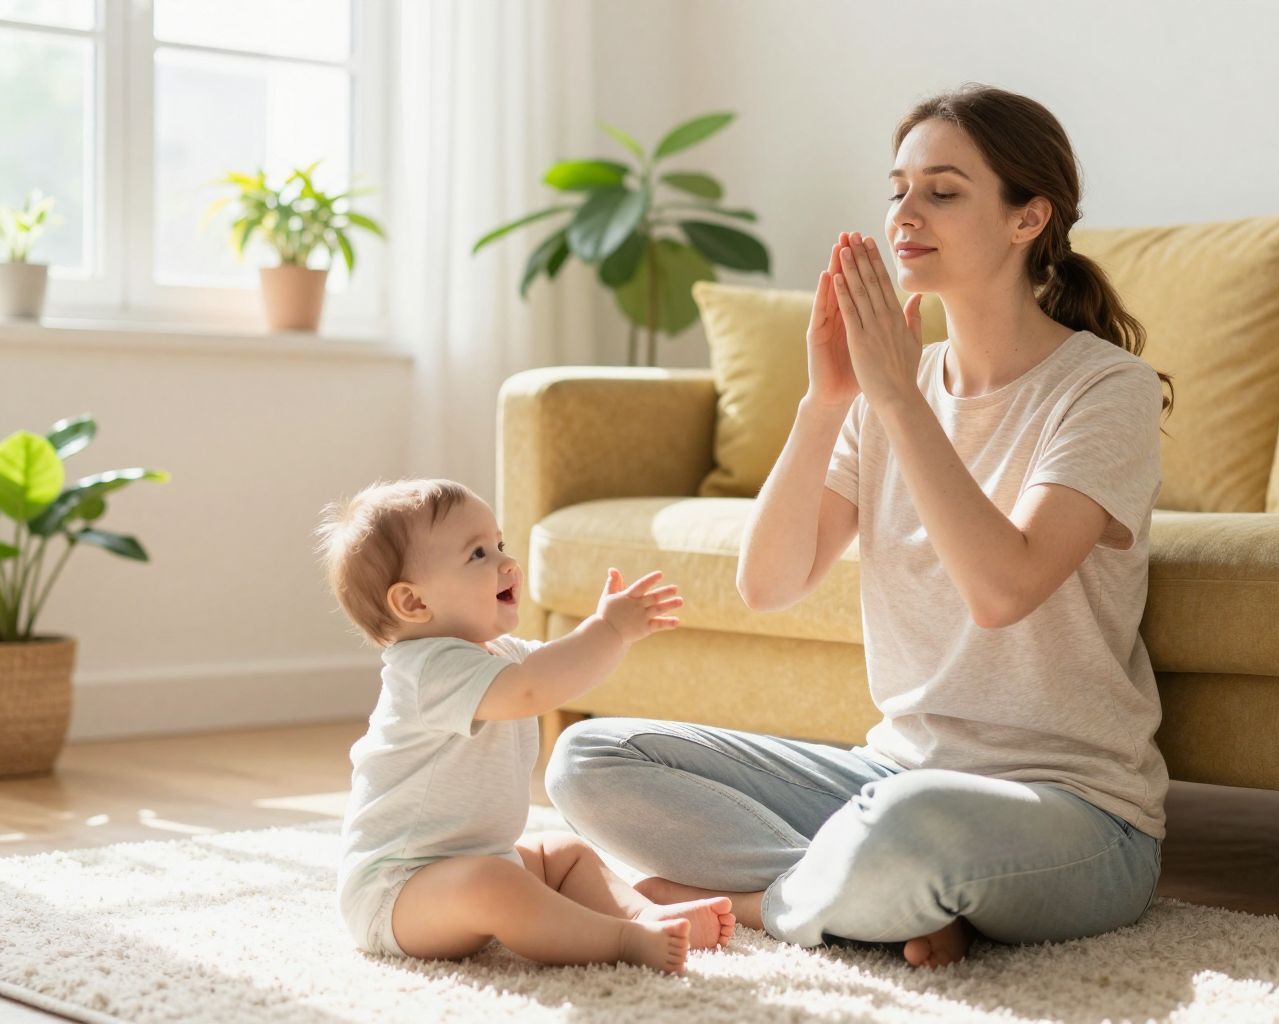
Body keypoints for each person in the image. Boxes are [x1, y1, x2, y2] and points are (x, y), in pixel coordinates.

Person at [547, 83, 1176, 968]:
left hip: (1074, 812)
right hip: (892, 777)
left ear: (1028, 217)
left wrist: (889, 392)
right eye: (899, 189)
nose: (905, 215)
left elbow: (1002, 590)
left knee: (914, 827)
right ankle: (875, 901)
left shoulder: (1105, 390)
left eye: (943, 192)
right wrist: (826, 400)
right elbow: (768, 584)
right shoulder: (889, 389)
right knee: (589, 757)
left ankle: (765, 903)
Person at [313, 478, 734, 975]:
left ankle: (645, 914)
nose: (505, 563)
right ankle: (620, 939)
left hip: (476, 861)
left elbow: (558, 673)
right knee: (494, 883)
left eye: (500, 544)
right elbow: (532, 689)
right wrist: (609, 630)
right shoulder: (425, 669)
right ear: (413, 603)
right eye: (477, 555)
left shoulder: (500, 656)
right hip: (397, 893)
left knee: (564, 852)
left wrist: (605, 634)